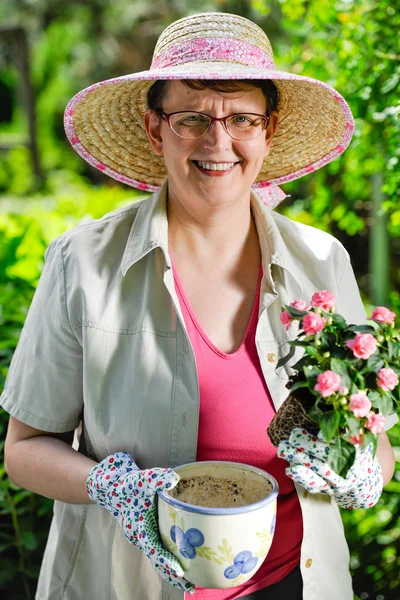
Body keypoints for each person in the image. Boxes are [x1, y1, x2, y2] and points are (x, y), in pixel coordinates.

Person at [1, 11, 396, 600]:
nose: (218, 142)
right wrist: (115, 486)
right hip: (130, 585)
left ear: (269, 129)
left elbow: (377, 442)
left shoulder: (321, 261)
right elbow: (24, 451)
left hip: (296, 582)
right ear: (155, 128)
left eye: (241, 118)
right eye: (192, 118)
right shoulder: (82, 263)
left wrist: (363, 469)